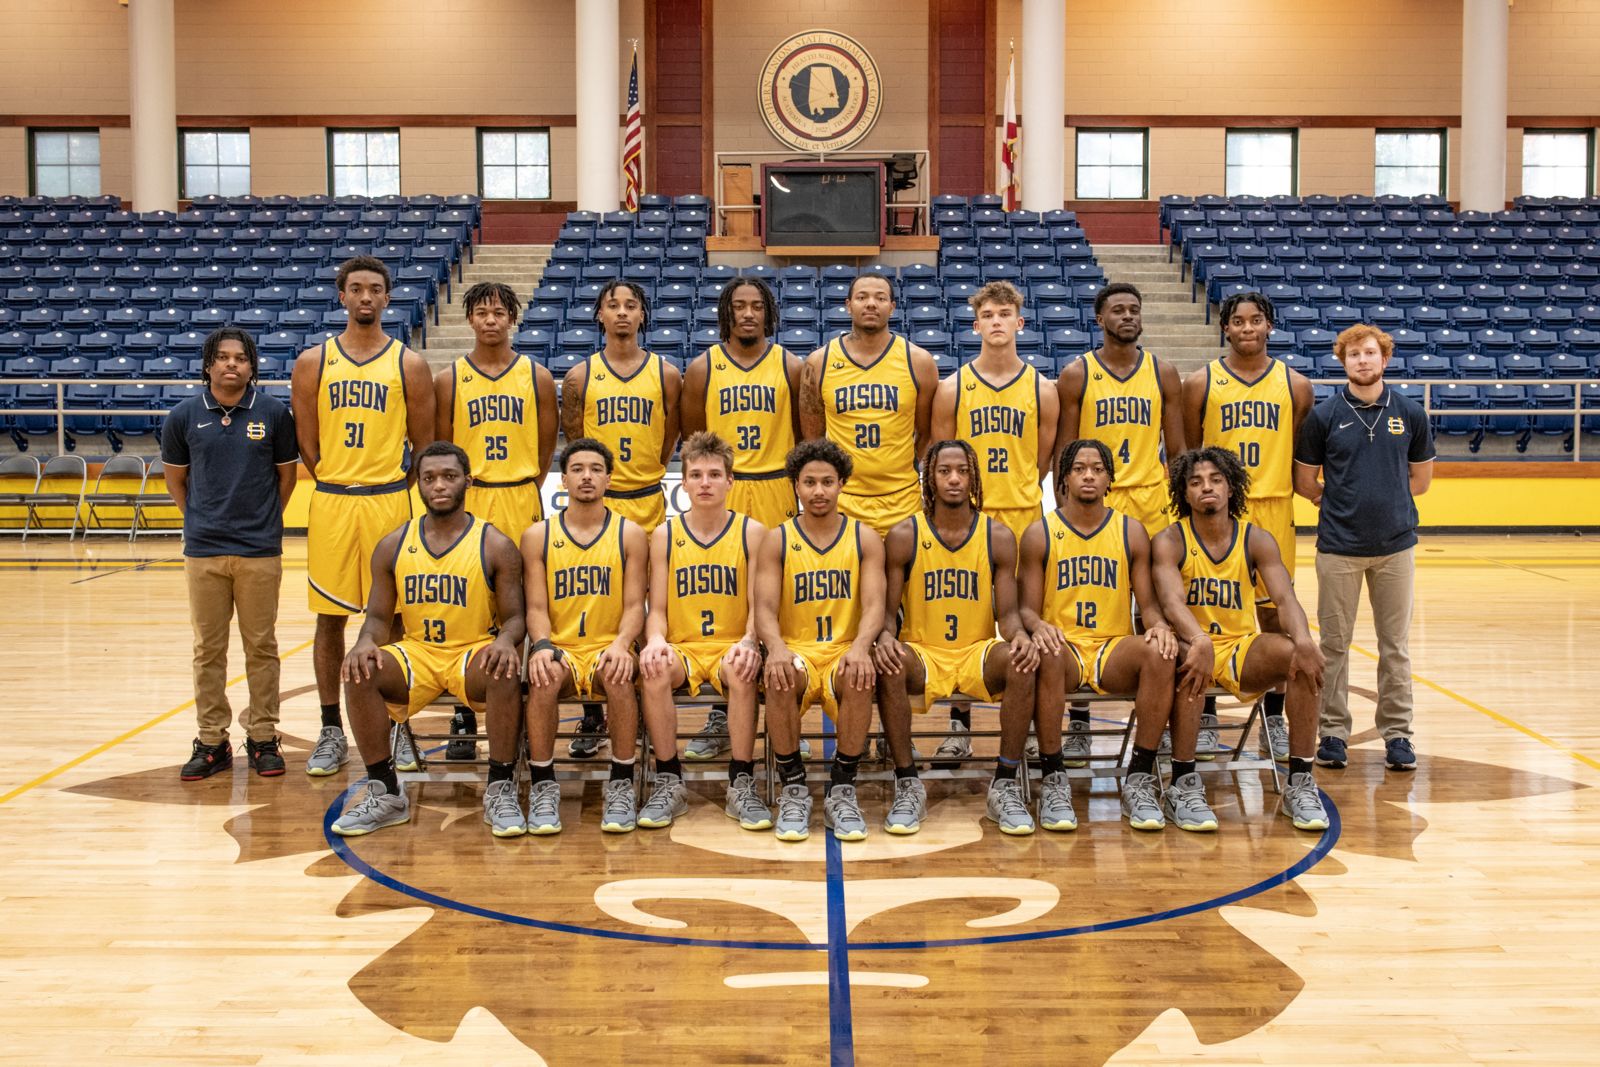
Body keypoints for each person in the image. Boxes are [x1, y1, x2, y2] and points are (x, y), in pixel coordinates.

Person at [328, 442, 526, 838]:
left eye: (449, 477)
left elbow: (516, 618)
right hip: (417, 652)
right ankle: (385, 791)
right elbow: (380, 619)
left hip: (471, 651)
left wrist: (505, 641)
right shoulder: (393, 544)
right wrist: (366, 641)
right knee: (359, 670)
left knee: (504, 669)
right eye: (429, 477)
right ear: (417, 483)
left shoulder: (495, 544)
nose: (439, 485)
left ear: (467, 482)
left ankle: (501, 786)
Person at [290, 255, 434, 778]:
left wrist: (394, 489)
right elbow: (307, 442)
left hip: (389, 500)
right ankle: (331, 729)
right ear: (342, 296)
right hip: (332, 499)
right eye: (357, 288)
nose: (366, 297)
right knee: (330, 618)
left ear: (388, 297)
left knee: (394, 617)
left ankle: (397, 725)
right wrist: (334, 478)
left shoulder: (408, 364)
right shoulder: (313, 362)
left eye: (376, 289)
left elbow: (424, 444)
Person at [1150, 447, 1331, 832]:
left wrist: (1303, 639)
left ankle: (1300, 780)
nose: (1207, 488)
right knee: (1188, 662)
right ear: (1184, 494)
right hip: (1189, 643)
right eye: (1196, 482)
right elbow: (1170, 601)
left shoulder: (1256, 539)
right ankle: (1182, 783)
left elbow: (1284, 599)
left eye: (1216, 480)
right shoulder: (1170, 539)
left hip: (1238, 646)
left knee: (1300, 658)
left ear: (1232, 488)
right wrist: (1197, 639)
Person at [873, 440, 1037, 835]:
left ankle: (1005, 782)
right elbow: (888, 613)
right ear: (929, 477)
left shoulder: (997, 536)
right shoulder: (903, 535)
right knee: (889, 663)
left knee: (1023, 660)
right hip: (924, 653)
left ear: (973, 476)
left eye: (962, 471)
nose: (954, 479)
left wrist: (1019, 638)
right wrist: (883, 637)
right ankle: (908, 782)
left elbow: (1009, 615)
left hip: (976, 651)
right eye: (944, 470)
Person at [1020, 440, 1184, 831]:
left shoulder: (1131, 531)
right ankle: (1054, 776)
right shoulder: (1040, 532)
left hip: (1112, 647)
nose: (1089, 474)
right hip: (1064, 647)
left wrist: (1160, 626)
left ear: (1110, 478)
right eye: (1079, 468)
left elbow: (1146, 603)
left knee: (1161, 653)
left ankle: (1140, 776)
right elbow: (1025, 608)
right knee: (1048, 655)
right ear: (1063, 479)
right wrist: (1039, 625)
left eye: (1097, 468)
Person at [1293, 324, 1434, 772]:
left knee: (1395, 645)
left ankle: (1398, 734)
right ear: (1343, 362)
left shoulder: (1410, 413)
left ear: (1385, 358)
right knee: (1334, 644)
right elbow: (1303, 482)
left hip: (1395, 547)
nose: (1363, 361)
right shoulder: (1324, 416)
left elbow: (1421, 481)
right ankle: (1333, 732)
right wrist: (1336, 501)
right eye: (1354, 355)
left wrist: (1385, 501)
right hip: (1338, 547)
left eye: (1370, 353)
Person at [929, 280, 1059, 767]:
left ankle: (1021, 729)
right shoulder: (952, 388)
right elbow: (943, 458)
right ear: (976, 323)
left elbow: (1043, 461)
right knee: (964, 621)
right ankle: (958, 728)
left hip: (1024, 518)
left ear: (1020, 323)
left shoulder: (1042, 389)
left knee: (1023, 621)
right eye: (989, 314)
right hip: (968, 522)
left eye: (1006, 313)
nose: (998, 321)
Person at [1181, 290, 1313, 763]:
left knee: (1275, 618)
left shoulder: (1296, 385)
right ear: (1226, 328)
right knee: (1207, 613)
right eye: (1238, 321)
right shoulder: (1202, 382)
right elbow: (1189, 453)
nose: (1248, 328)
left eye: (1256, 320)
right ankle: (1207, 712)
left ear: (1269, 326)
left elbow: (1302, 452)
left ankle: (1274, 719)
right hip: (1220, 514)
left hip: (1274, 509)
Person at [163, 327, 299, 780]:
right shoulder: (183, 416)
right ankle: (211, 740)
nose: (231, 365)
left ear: (251, 365)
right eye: (222, 357)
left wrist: (262, 523)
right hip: (203, 550)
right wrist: (202, 520)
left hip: (259, 550)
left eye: (240, 358)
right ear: (208, 365)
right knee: (208, 650)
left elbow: (286, 479)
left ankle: (263, 737)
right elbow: (177, 482)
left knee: (262, 647)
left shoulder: (274, 413)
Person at [1054, 283, 1181, 762]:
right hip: (1093, 501)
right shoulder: (1077, 374)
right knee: (1086, 600)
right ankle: (1081, 721)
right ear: (1100, 318)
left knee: (1155, 610)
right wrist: (1066, 503)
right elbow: (1065, 452)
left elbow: (1179, 447)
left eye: (1134, 309)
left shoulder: (1162, 372)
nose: (1127, 316)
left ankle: (1158, 720)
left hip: (1150, 500)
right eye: (1118, 310)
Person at [433, 280, 557, 759]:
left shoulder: (536, 376)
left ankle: (569, 702)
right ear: (470, 319)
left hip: (520, 494)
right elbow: (441, 445)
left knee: (535, 597)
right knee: (472, 604)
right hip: (473, 497)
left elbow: (547, 446)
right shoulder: (450, 378)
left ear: (512, 319)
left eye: (499, 313)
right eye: (482, 312)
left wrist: (525, 482)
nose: (490, 320)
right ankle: (464, 711)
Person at [559, 280, 680, 759]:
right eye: (613, 306)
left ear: (643, 315)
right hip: (602, 505)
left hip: (648, 499)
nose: (623, 313)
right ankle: (593, 712)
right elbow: (576, 439)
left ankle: (639, 705)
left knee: (647, 605)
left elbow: (671, 436)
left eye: (632, 305)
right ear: (600, 317)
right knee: (598, 600)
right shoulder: (579, 377)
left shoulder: (666, 374)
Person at [753, 439, 886, 842]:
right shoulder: (778, 539)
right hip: (797, 651)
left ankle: (842, 787)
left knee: (861, 675)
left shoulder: (864, 537)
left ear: (842, 484)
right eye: (809, 482)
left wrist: (862, 647)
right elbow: (763, 607)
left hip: (844, 650)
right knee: (777, 675)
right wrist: (775, 648)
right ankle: (794, 786)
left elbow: (875, 605)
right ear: (796, 485)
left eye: (827, 481)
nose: (819, 491)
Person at [638, 432, 769, 830]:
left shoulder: (753, 532)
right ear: (684, 483)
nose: (705, 483)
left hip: (733, 643)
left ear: (731, 481)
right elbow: (656, 609)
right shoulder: (665, 535)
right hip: (684, 646)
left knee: (745, 668)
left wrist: (750, 641)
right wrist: (656, 639)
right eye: (696, 475)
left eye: (715, 474)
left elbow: (758, 607)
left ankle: (741, 779)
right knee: (654, 667)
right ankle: (668, 778)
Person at [521, 438, 649, 834]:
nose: (587, 476)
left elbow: (634, 607)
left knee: (618, 675)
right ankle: (543, 785)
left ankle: (622, 783)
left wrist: (621, 644)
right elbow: (537, 608)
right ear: (563, 480)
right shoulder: (537, 536)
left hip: (607, 643)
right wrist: (542, 645)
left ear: (609, 479)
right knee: (542, 676)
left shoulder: (630, 534)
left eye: (595, 469)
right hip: (560, 644)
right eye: (578, 469)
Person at [800, 271, 938, 538]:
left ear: (892, 307)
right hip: (844, 498)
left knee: (905, 579)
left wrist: (905, 463)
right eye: (862, 297)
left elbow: (925, 431)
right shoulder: (818, 362)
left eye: (880, 297)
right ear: (848, 304)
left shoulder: (919, 361)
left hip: (902, 498)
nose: (871, 303)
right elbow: (813, 437)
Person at [681, 275, 802, 529]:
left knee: (776, 567)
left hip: (777, 484)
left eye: (758, 307)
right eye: (739, 306)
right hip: (724, 484)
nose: (749, 314)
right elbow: (693, 440)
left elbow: (802, 436)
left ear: (768, 313)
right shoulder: (702, 369)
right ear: (726, 312)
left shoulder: (790, 366)